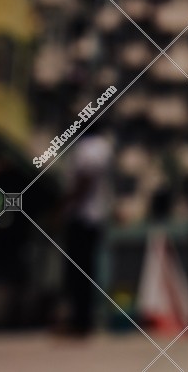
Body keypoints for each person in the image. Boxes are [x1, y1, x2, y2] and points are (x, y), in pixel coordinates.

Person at [61, 132, 113, 335]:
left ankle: (80, 321)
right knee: (85, 271)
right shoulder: (103, 145)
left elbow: (85, 177)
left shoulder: (91, 146)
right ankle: (82, 319)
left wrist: (67, 203)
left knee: (79, 271)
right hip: (93, 216)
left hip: (83, 216)